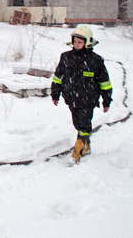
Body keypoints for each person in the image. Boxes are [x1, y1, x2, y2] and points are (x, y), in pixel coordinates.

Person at [51, 26, 113, 163]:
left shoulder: (96, 60)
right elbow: (58, 77)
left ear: (88, 43)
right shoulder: (66, 57)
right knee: (78, 123)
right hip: (71, 98)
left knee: (85, 124)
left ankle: (77, 151)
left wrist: (106, 100)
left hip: (88, 99)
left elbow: (104, 82)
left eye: (80, 42)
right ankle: (87, 145)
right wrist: (55, 94)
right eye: (75, 41)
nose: (77, 44)